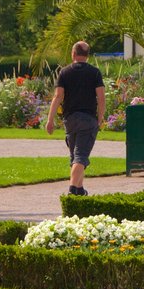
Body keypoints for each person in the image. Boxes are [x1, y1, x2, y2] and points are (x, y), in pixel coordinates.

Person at [46, 41, 105, 195]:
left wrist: (50, 120)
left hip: (70, 119)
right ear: (87, 56)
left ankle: (79, 189)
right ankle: (73, 189)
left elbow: (58, 96)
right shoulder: (95, 72)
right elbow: (101, 97)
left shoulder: (64, 72)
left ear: (73, 54)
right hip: (88, 119)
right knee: (81, 156)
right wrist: (100, 117)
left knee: (75, 156)